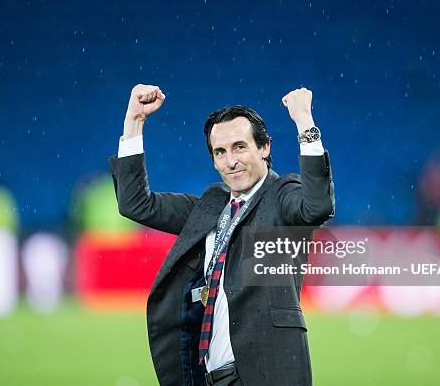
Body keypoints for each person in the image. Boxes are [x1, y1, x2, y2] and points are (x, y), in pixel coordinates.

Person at [109, 84, 335, 385]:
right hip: (209, 376)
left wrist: (305, 122)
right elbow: (136, 204)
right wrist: (133, 122)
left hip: (266, 374)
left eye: (240, 147)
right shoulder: (211, 204)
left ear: (264, 148)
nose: (230, 161)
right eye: (220, 152)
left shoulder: (281, 197)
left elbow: (317, 206)